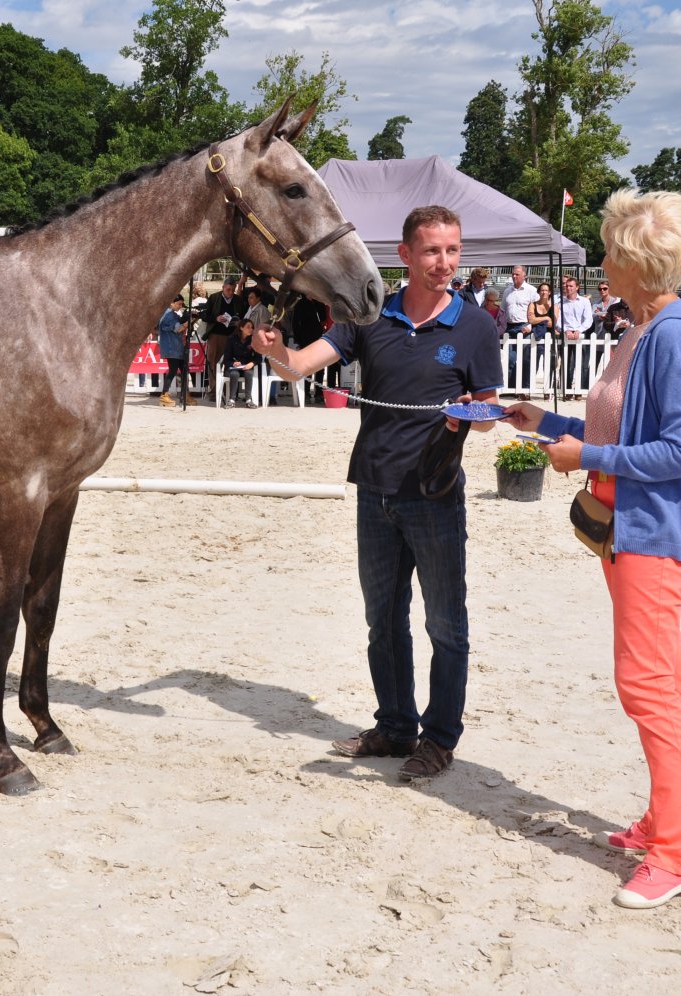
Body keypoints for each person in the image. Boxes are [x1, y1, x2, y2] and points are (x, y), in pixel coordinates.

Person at [503, 189, 681, 910]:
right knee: (661, 684)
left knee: (648, 686)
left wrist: (587, 455)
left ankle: (674, 855)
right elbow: (621, 428)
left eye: (608, 252)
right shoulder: (645, 327)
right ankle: (667, 824)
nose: (600, 263)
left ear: (636, 263)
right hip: (630, 525)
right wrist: (545, 422)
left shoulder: (674, 336)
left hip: (654, 529)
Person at [253, 204, 503, 782]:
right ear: (405, 255)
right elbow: (298, 366)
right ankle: (394, 727)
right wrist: (273, 351)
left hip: (435, 494)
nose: (445, 262)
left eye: (453, 250)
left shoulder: (475, 325)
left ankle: (439, 739)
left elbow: (491, 409)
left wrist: (471, 412)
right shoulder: (368, 315)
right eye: (433, 251)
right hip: (375, 491)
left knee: (446, 625)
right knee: (383, 622)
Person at [200, 277, 244, 403]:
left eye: (233, 290)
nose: (230, 292)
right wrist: (216, 318)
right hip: (215, 334)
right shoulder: (214, 297)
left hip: (232, 335)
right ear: (223, 288)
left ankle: (228, 391)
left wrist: (238, 322)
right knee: (213, 362)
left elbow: (243, 315)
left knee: (230, 362)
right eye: (228, 289)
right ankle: (214, 390)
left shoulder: (238, 300)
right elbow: (204, 315)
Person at [502, 265, 538, 393]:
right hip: (509, 326)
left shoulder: (532, 291)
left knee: (525, 359)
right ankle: (510, 387)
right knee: (509, 358)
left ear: (524, 276)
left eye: (517, 274)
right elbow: (503, 310)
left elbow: (538, 311)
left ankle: (523, 388)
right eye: (513, 274)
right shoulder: (507, 291)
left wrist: (530, 325)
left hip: (524, 326)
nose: (514, 276)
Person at [156, 293, 193, 407]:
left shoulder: (170, 314)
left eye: (181, 304)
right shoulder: (169, 315)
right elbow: (179, 329)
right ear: (171, 303)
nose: (180, 306)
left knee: (184, 370)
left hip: (176, 347)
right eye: (179, 304)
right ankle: (164, 396)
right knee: (173, 371)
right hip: (172, 348)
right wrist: (190, 321)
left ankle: (184, 395)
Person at [559, 275, 594, 391]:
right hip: (566, 334)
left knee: (582, 363)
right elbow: (558, 320)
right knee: (566, 363)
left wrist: (579, 330)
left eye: (571, 286)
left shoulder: (584, 302)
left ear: (577, 287)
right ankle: (567, 388)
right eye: (567, 286)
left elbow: (588, 319)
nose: (568, 288)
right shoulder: (560, 303)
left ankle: (580, 389)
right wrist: (566, 330)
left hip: (580, 335)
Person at [222, 318, 261, 408]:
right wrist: (233, 364)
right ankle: (231, 400)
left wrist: (252, 364)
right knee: (234, 374)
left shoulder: (253, 340)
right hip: (233, 367)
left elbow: (258, 357)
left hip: (246, 366)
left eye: (252, 327)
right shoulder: (232, 339)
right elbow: (226, 359)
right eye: (248, 327)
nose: (251, 329)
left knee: (249, 373)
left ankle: (248, 400)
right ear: (241, 328)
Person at [527, 280, 555, 397]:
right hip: (536, 337)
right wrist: (546, 318)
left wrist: (540, 320)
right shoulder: (532, 304)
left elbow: (553, 323)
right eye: (542, 290)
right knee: (532, 363)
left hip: (549, 337)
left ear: (550, 292)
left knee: (549, 364)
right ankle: (528, 388)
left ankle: (547, 390)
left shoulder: (554, 306)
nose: (544, 292)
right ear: (538, 292)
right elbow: (531, 320)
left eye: (546, 290)